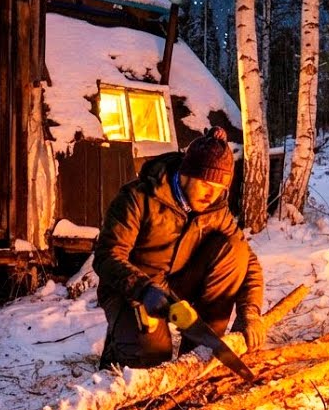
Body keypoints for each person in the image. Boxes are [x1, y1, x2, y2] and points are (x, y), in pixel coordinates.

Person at [93, 126, 265, 370]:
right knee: (152, 357)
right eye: (205, 183)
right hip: (132, 289)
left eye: (220, 189)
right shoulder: (137, 198)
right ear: (186, 173)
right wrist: (142, 290)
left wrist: (250, 313)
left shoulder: (216, 210)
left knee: (235, 251)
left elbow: (249, 263)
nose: (211, 195)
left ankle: (197, 356)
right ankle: (119, 347)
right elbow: (106, 257)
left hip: (178, 284)